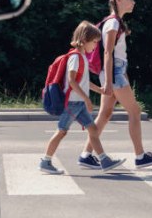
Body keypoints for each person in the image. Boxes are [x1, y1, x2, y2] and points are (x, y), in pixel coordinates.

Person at [82, 0, 152, 169]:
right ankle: (140, 156)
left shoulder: (115, 22)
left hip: (114, 72)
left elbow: (114, 56)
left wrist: (114, 77)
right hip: (113, 73)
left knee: (105, 114)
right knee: (135, 112)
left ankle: (86, 154)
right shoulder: (113, 23)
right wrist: (110, 82)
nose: (133, 2)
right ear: (118, 0)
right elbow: (107, 53)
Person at [39, 20, 126, 174]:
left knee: (93, 129)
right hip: (72, 103)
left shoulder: (82, 57)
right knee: (62, 131)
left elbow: (83, 82)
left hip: (78, 103)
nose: (95, 46)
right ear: (84, 40)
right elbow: (72, 81)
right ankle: (45, 161)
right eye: (94, 42)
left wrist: (99, 90)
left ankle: (104, 160)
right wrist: (87, 99)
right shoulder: (76, 57)